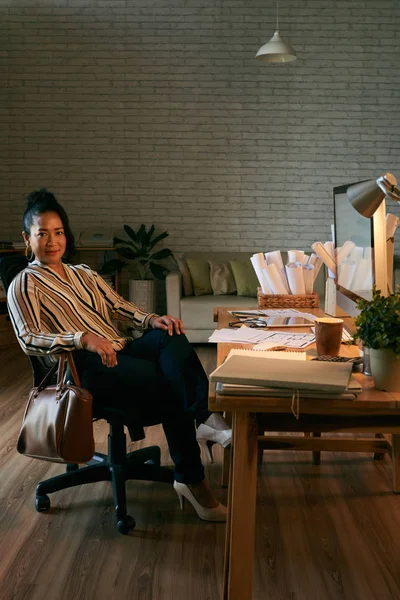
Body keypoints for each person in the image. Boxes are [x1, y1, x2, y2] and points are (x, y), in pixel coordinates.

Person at [8, 189, 232, 522]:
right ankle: (192, 480)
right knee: (171, 384)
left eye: (58, 232)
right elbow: (29, 338)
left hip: (122, 347)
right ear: (28, 239)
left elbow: (119, 306)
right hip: (85, 370)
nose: (52, 241)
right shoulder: (25, 283)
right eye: (42, 234)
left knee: (170, 334)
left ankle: (204, 419)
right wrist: (83, 338)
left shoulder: (83, 272)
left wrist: (153, 319)